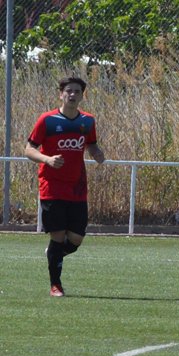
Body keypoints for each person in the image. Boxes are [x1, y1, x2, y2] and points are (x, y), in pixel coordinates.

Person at [26, 76, 106, 297]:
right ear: (61, 94)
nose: (72, 95)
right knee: (58, 235)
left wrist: (96, 153)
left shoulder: (88, 121)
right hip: (52, 186)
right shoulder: (47, 120)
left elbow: (91, 143)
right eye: (68, 91)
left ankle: (54, 254)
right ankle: (55, 285)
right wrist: (47, 159)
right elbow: (29, 149)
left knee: (77, 238)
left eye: (77, 91)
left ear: (82, 95)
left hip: (77, 187)